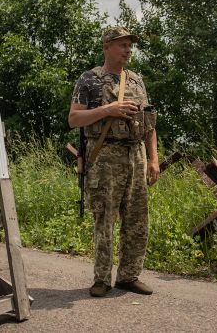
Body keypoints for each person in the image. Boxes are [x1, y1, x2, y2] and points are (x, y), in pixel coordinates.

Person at [68, 26, 160, 297]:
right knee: (105, 219)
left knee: (137, 219)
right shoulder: (89, 79)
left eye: (130, 45)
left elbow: (149, 124)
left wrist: (154, 159)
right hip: (105, 156)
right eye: (122, 44)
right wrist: (108, 109)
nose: (128, 50)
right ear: (107, 47)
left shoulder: (136, 80)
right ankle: (102, 279)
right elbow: (74, 119)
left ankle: (129, 276)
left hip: (136, 156)